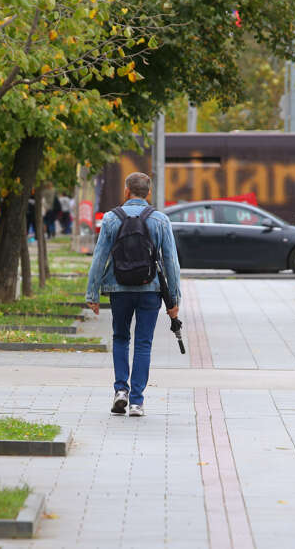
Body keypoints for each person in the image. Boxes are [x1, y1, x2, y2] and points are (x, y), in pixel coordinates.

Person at [85, 172, 181, 417]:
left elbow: (99, 257)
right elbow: (171, 261)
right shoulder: (160, 220)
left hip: (119, 290)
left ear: (127, 191)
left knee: (120, 338)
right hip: (151, 291)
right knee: (143, 344)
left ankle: (120, 391)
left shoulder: (111, 218)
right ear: (148, 193)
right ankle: (137, 402)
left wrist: (92, 293)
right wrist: (175, 299)